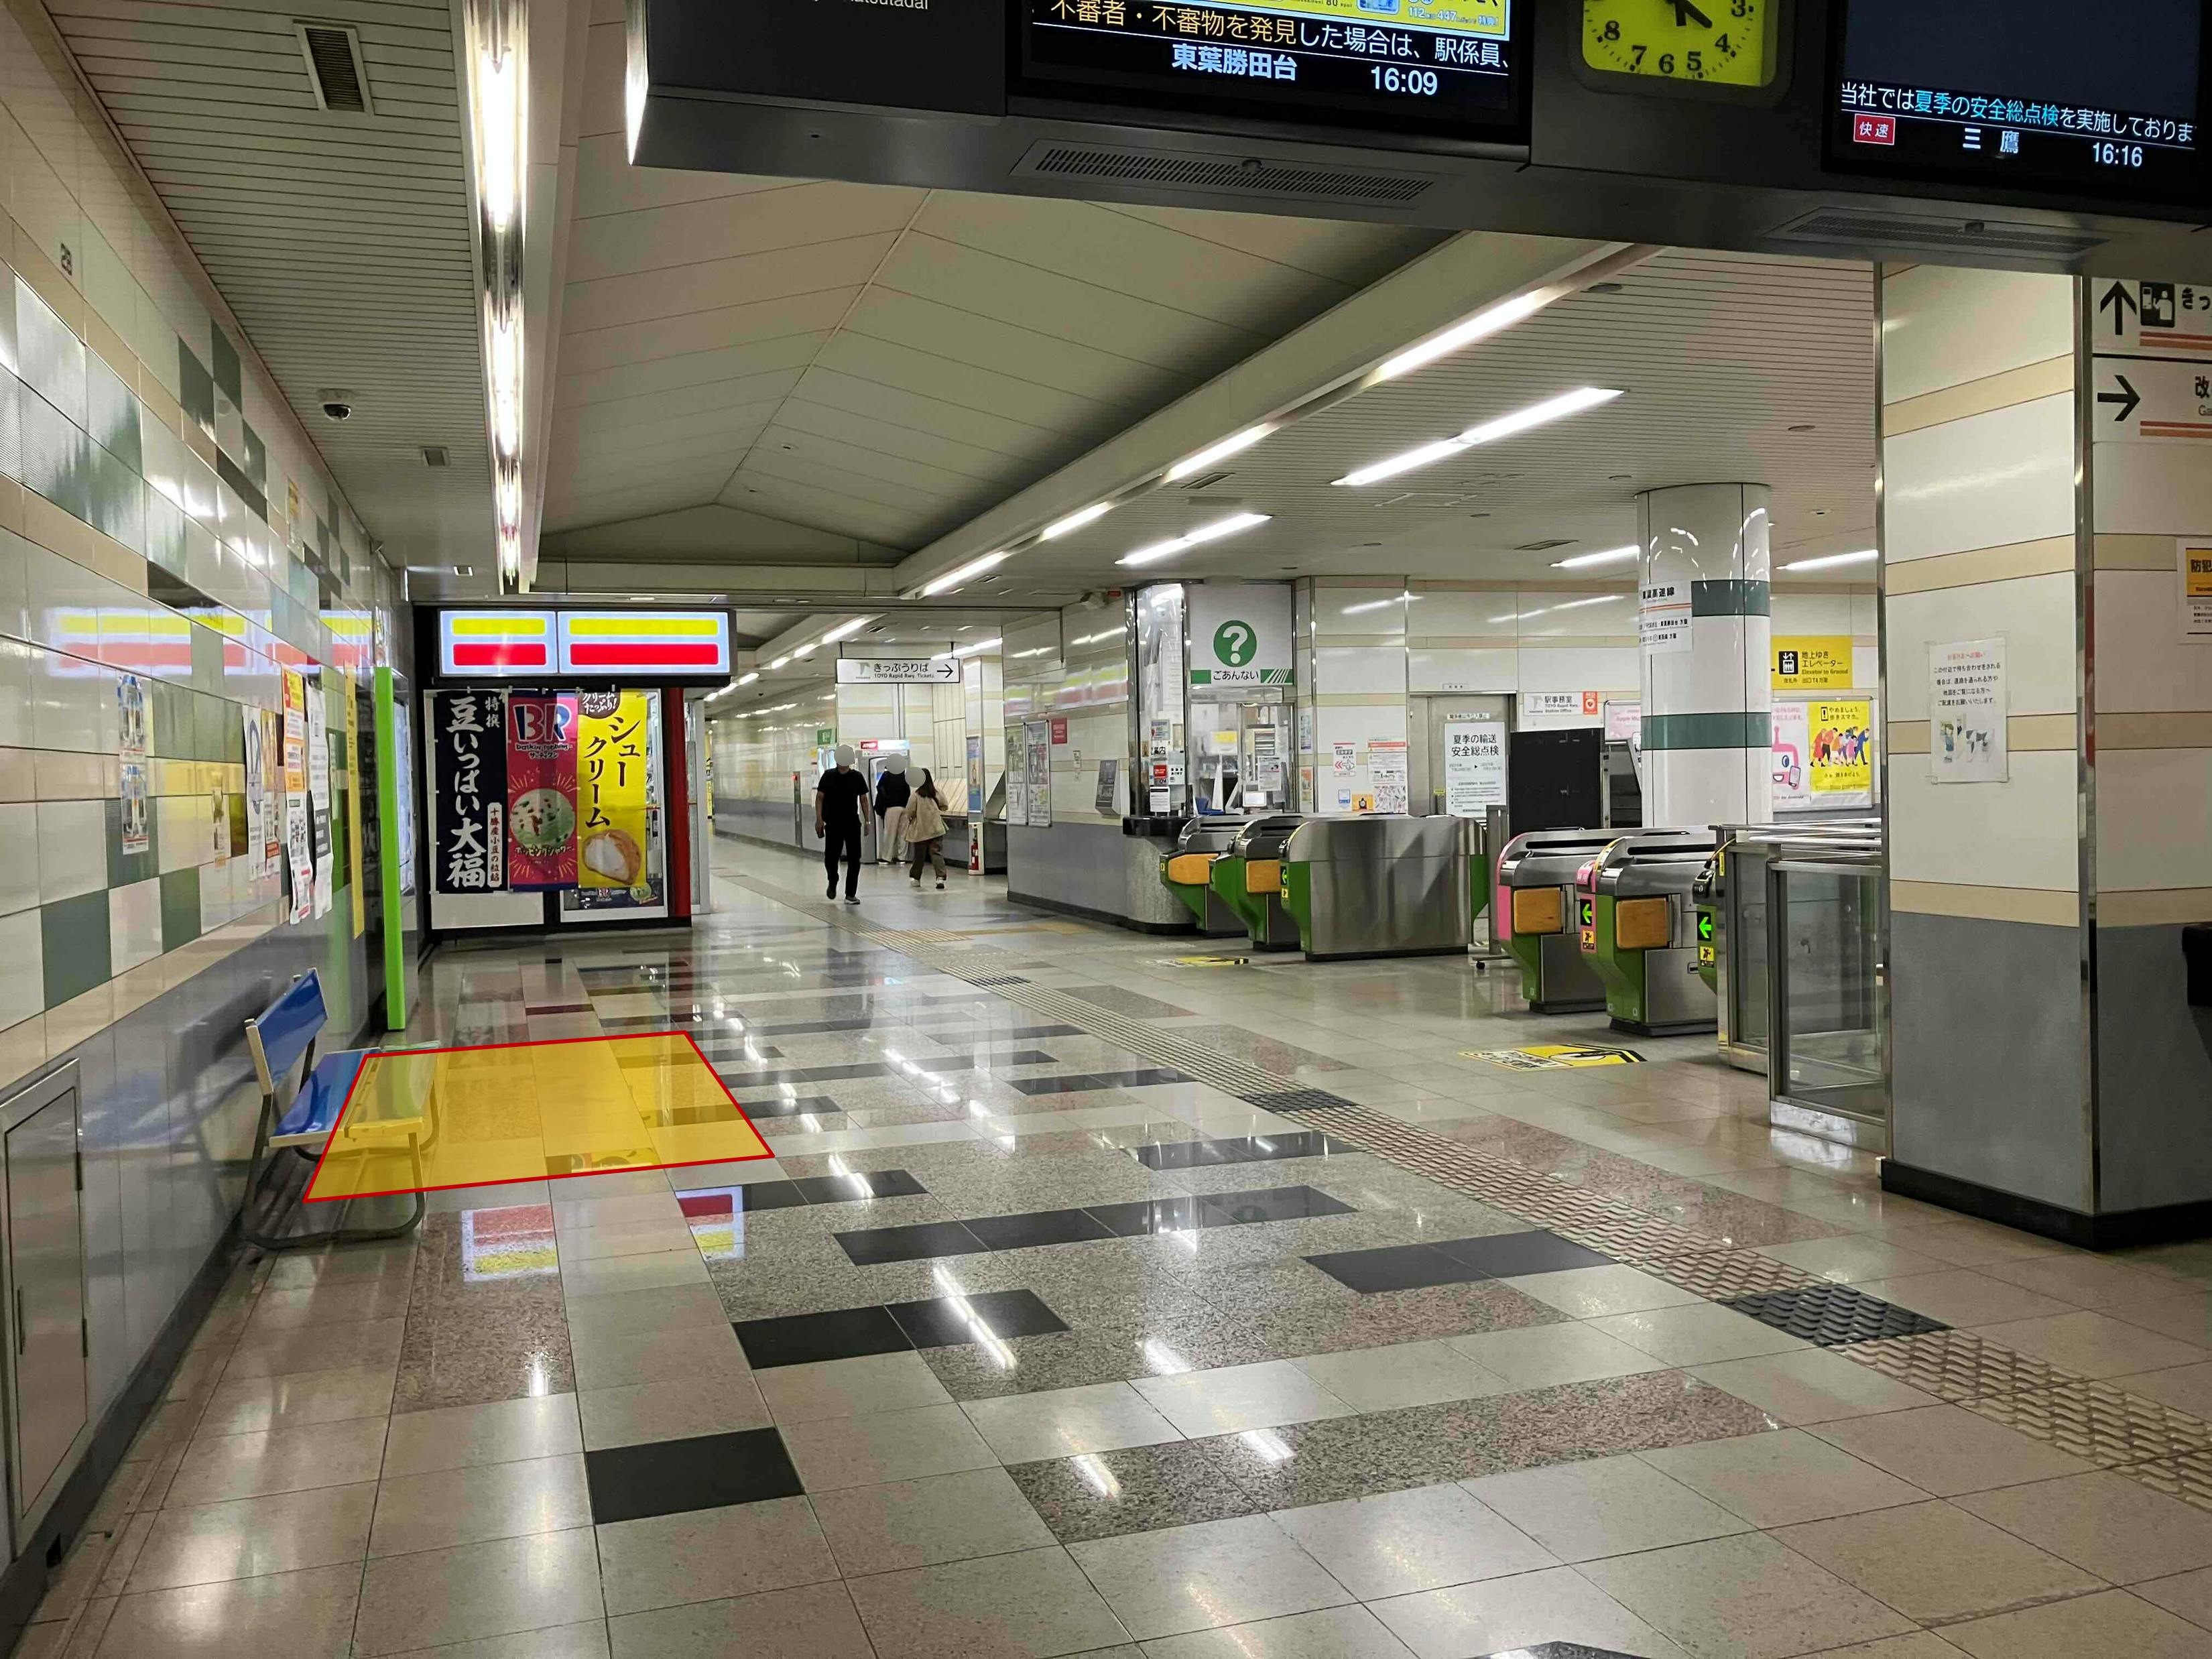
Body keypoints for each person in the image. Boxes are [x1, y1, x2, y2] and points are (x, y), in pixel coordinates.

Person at [814, 745, 869, 903]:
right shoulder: (828, 776)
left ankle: (850, 894)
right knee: (831, 858)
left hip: (852, 822)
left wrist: (868, 820)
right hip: (833, 823)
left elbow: (864, 799)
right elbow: (820, 798)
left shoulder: (857, 777)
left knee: (854, 859)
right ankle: (833, 880)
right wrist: (819, 819)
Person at [903, 769, 950, 889]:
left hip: (921, 830)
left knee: (919, 856)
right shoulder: (937, 792)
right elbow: (945, 806)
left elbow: (909, 812)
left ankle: (916, 878)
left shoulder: (916, 795)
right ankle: (940, 878)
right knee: (937, 853)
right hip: (936, 828)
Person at [873, 759, 910, 865]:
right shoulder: (904, 777)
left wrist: (884, 802)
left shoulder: (887, 775)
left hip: (892, 808)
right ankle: (902, 857)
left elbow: (880, 787)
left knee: (890, 833)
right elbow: (908, 792)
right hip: (904, 808)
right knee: (903, 834)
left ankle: (886, 858)